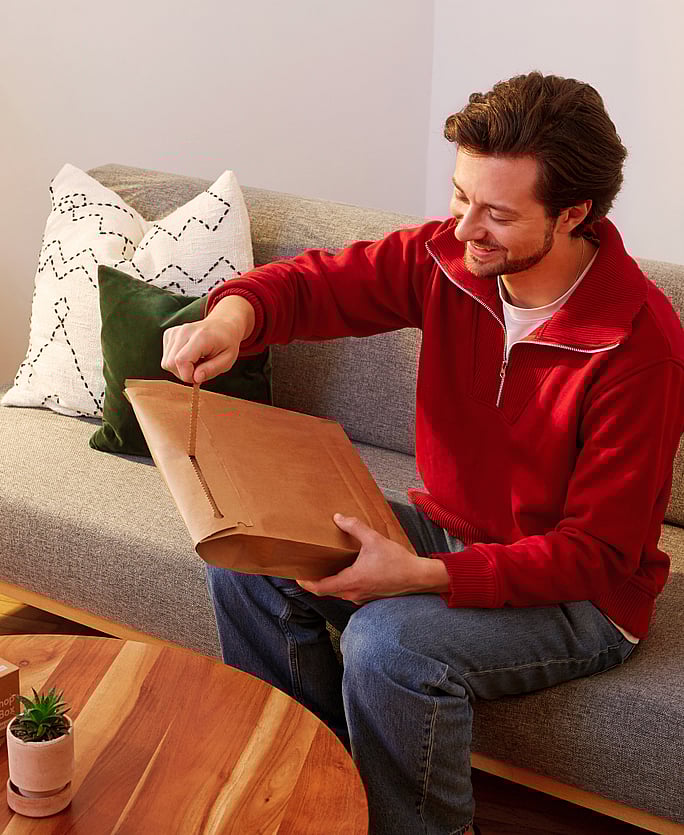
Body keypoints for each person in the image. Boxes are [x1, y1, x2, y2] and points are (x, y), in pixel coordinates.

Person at [161, 72, 684, 835]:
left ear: (574, 213)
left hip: (582, 597)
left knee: (387, 644)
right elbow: (315, 285)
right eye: (460, 195)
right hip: (455, 532)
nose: (465, 227)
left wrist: (419, 576)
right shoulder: (449, 258)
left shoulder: (639, 345)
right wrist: (235, 316)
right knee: (248, 552)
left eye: (497, 213)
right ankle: (310, 791)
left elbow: (596, 553)